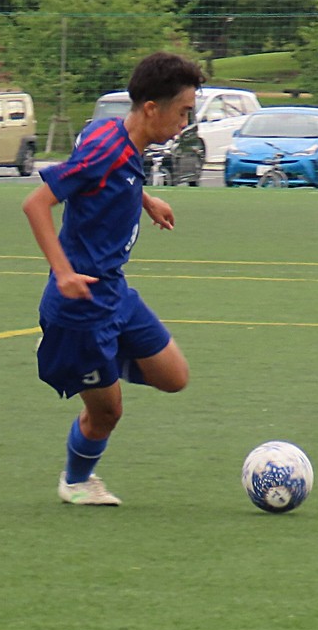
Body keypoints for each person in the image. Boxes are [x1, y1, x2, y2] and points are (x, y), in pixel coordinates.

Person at [22, 52, 200, 506]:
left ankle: (97, 358)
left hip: (114, 294)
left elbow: (110, 178)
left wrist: (146, 200)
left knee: (175, 376)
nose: (185, 123)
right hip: (80, 309)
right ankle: (76, 481)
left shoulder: (112, 134)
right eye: (183, 112)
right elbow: (36, 204)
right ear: (151, 109)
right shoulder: (105, 149)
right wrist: (63, 272)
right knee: (107, 414)